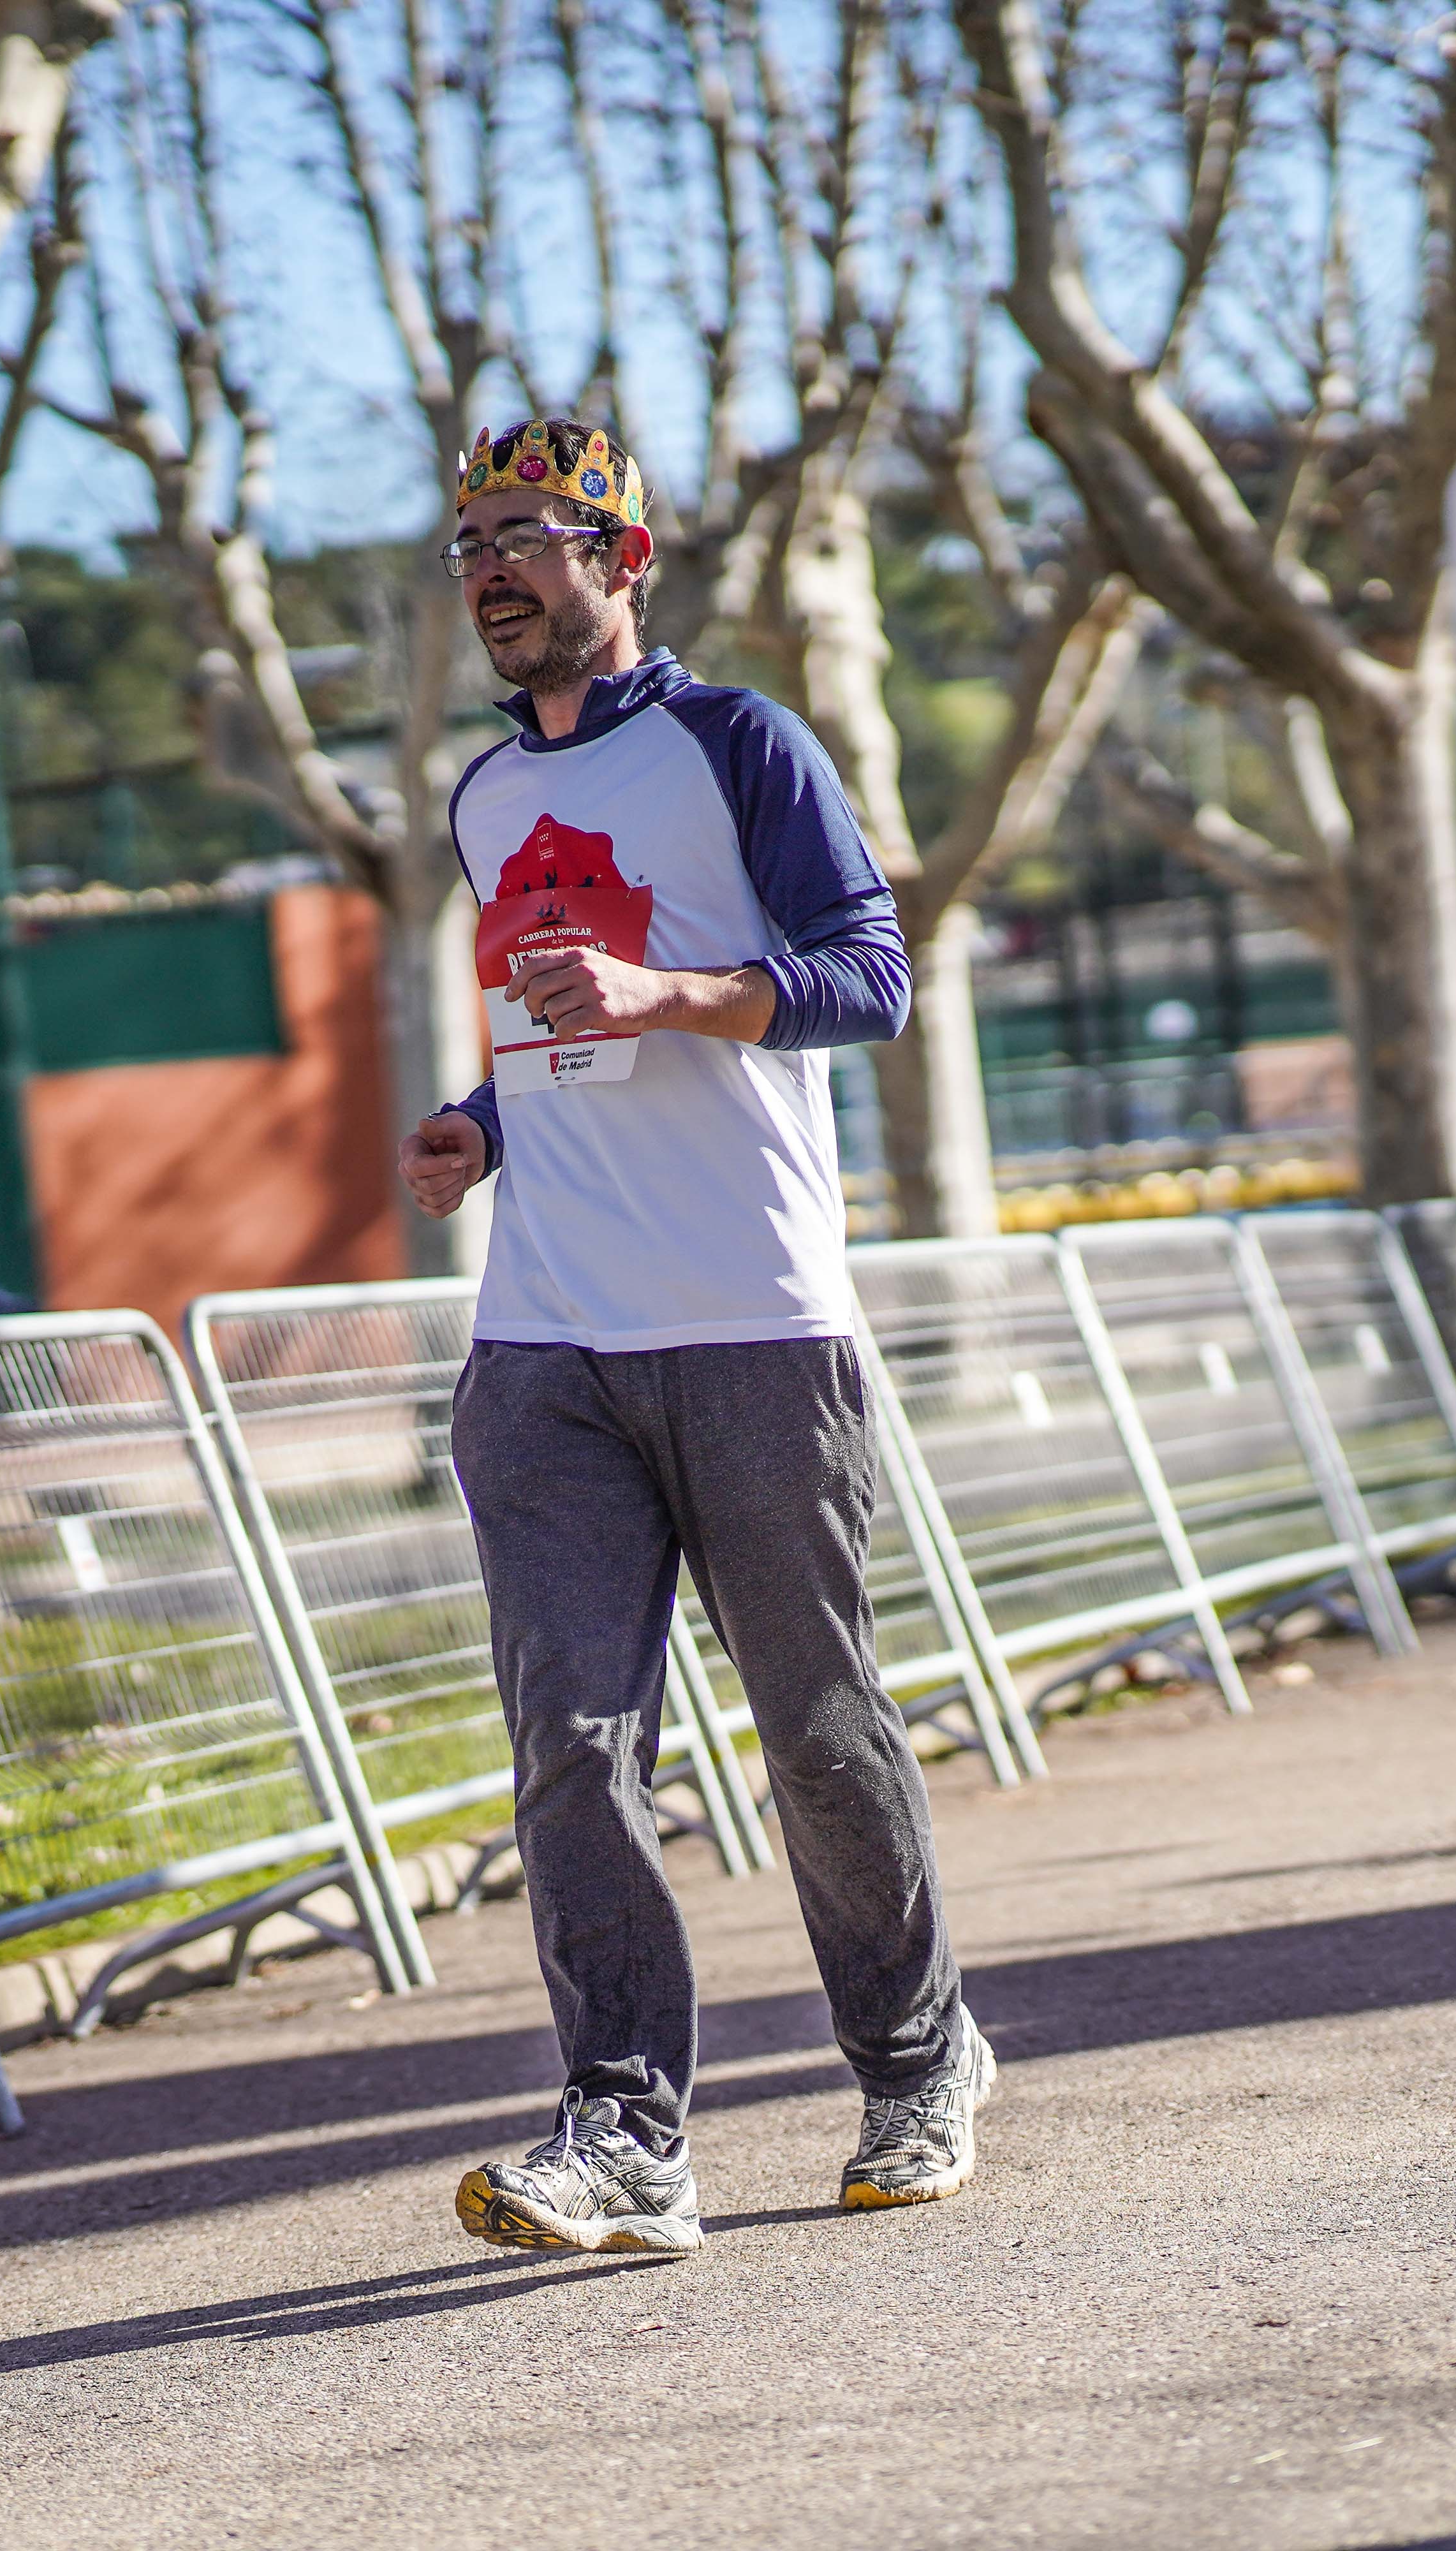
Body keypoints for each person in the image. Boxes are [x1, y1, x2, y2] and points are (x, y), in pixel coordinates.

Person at [397, 416, 990, 2259]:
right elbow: (551, 1032)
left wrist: (670, 993)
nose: (492, 568)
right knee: (573, 1746)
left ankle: (917, 2056)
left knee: (815, 1732)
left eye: (528, 536)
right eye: (469, 542)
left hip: (750, 1318)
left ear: (621, 560)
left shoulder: (742, 743)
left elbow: (870, 979)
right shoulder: (482, 798)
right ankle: (626, 2135)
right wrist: (481, 1128)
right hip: (547, 1338)